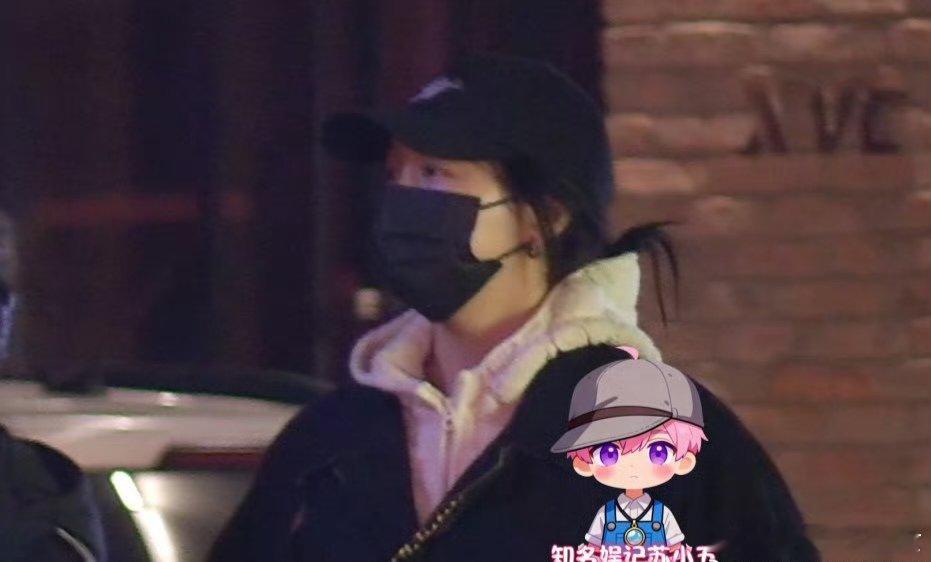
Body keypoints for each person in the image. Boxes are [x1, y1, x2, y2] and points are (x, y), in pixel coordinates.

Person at [208, 52, 819, 561]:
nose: (403, 200)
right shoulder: (329, 441)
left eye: (435, 174)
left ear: (543, 217)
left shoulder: (661, 437)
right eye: (395, 175)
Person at [551, 346, 708, 550]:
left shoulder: (663, 514)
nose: (633, 466)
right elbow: (593, 548)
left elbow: (677, 549)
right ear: (583, 464)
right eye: (609, 454)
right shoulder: (606, 514)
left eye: (658, 452)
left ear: (684, 462)